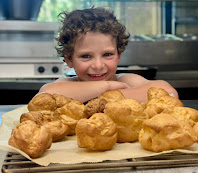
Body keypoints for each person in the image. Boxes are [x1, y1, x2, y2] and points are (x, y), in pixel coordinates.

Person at [39, 7, 178, 103]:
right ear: (69, 59)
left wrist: (101, 98)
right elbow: (43, 96)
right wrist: (106, 86)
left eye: (107, 54)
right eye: (86, 56)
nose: (98, 65)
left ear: (118, 56)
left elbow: (169, 92)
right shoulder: (68, 84)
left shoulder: (125, 81)